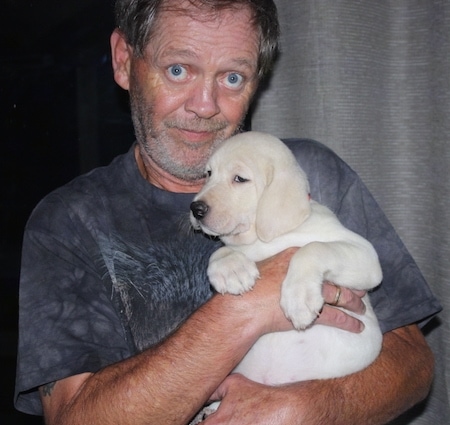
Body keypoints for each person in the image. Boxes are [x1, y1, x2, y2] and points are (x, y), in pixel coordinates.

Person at [15, 1, 441, 424]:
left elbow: (414, 365)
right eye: (178, 69)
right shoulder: (69, 222)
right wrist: (245, 310)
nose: (205, 105)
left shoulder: (310, 174)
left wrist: (306, 408)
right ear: (124, 61)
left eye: (233, 77)